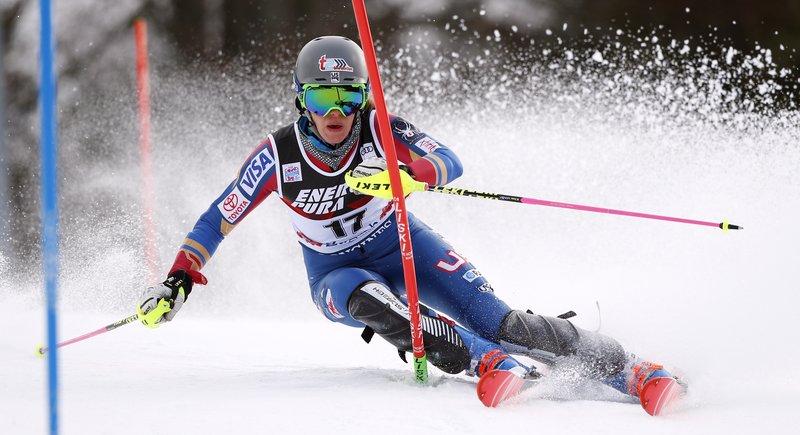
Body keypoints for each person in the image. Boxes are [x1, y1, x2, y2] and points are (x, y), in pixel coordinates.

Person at [138, 35, 682, 413]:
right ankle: (488, 365)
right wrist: (179, 278)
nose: (337, 111)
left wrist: (409, 173)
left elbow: (448, 160)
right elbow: (216, 220)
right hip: (335, 274)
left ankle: (634, 370)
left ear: (362, 97)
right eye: (323, 96)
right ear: (301, 99)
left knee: (503, 321)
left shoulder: (379, 127)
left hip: (403, 242)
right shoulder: (277, 156)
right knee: (370, 298)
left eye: (349, 94)